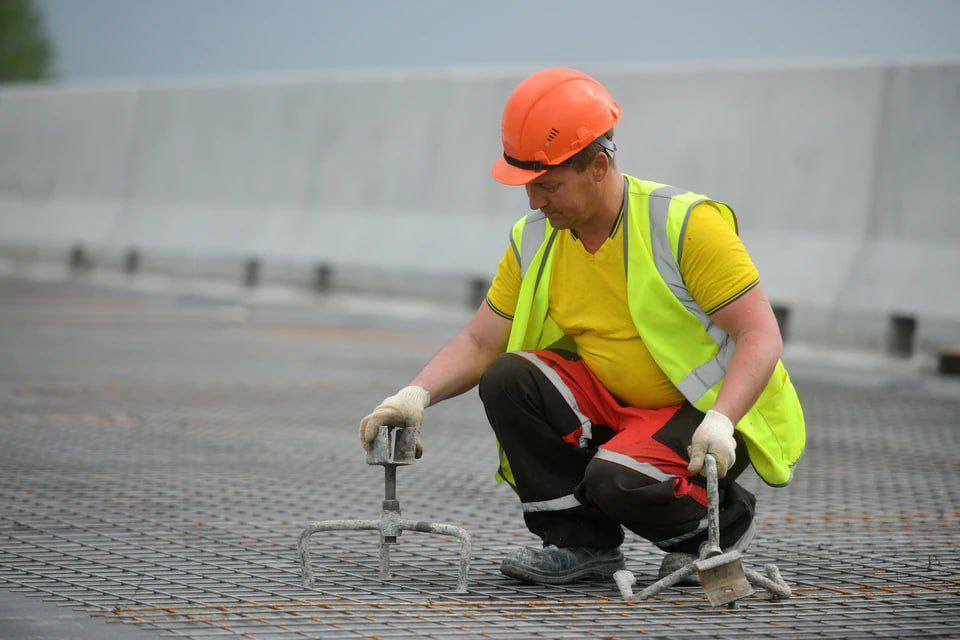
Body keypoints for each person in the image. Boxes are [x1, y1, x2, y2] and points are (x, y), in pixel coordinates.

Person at [359, 67, 805, 585]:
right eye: (528, 186)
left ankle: (712, 529)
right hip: (615, 403)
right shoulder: (536, 238)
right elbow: (481, 341)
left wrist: (723, 420)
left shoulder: (683, 225)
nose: (534, 201)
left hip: (704, 414)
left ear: (598, 166)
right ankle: (582, 544)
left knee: (614, 481)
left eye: (548, 185)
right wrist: (414, 395)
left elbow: (760, 334)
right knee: (508, 377)